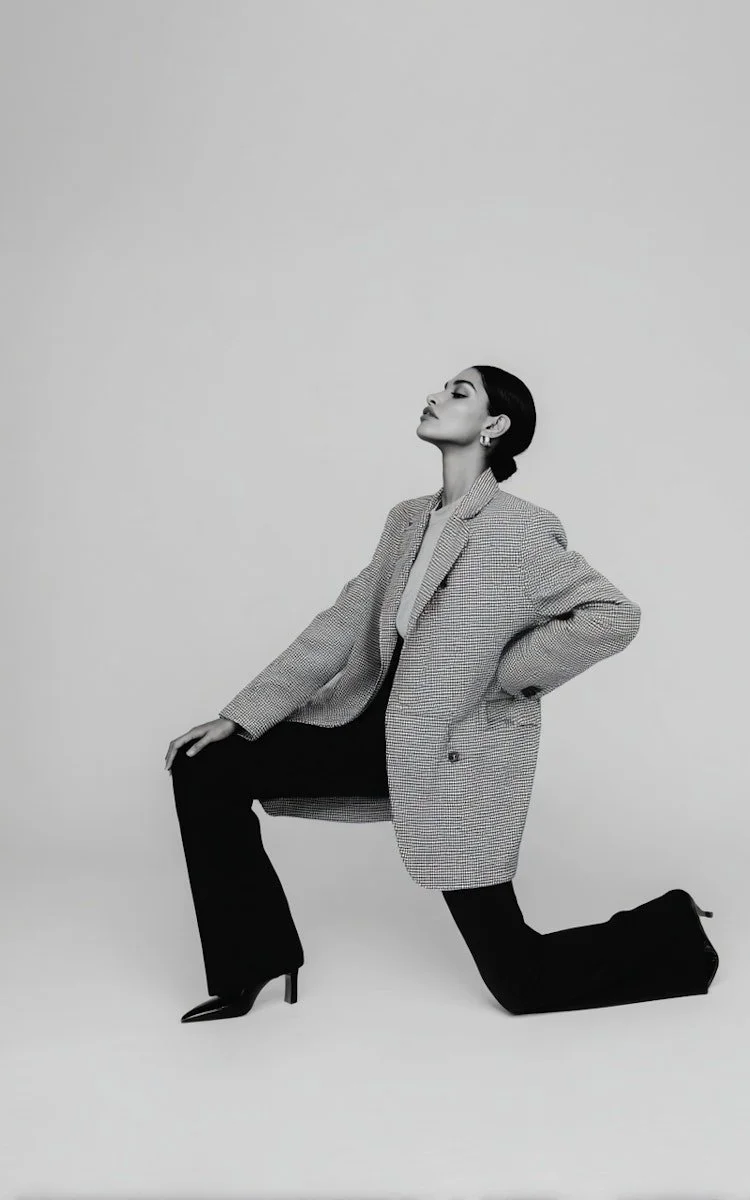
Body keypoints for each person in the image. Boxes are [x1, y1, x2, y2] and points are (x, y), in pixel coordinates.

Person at [166, 364, 719, 1022]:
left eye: (459, 393)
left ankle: (674, 927)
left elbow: (612, 616)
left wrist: (506, 676)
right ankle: (250, 963)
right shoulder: (406, 521)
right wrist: (242, 717)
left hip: (449, 755)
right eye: (440, 388)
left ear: (494, 425)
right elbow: (342, 624)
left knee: (522, 982)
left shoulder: (520, 530)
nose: (434, 396)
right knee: (206, 766)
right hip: (364, 735)